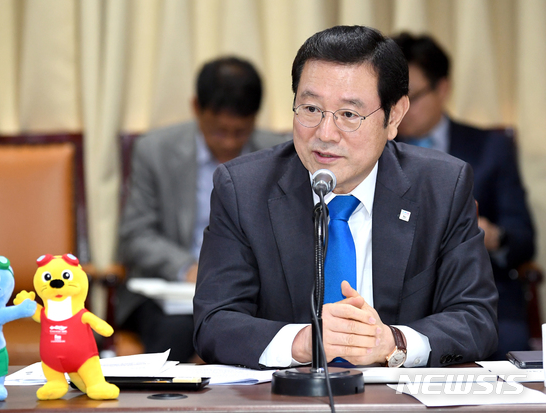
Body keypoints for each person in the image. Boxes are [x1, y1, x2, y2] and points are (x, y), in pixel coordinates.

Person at [193, 25, 499, 369]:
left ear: (394, 116)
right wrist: (303, 342)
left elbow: (476, 319)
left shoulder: (442, 187)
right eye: (310, 109)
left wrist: (393, 343)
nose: (325, 134)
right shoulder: (243, 189)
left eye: (349, 115)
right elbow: (214, 322)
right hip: (288, 394)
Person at [116, 56, 289, 362]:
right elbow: (135, 234)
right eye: (219, 131)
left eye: (241, 132)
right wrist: (187, 269)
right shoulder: (155, 151)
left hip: (249, 291)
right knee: (178, 331)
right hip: (170, 292)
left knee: (271, 326)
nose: (230, 142)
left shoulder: (278, 155)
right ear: (196, 108)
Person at [392, 32, 535, 359]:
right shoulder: (377, 152)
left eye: (412, 96)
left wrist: (488, 234)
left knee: (506, 343)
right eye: (393, 98)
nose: (402, 109)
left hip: (481, 293)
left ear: (442, 88)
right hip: (401, 300)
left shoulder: (491, 148)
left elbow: (523, 239)